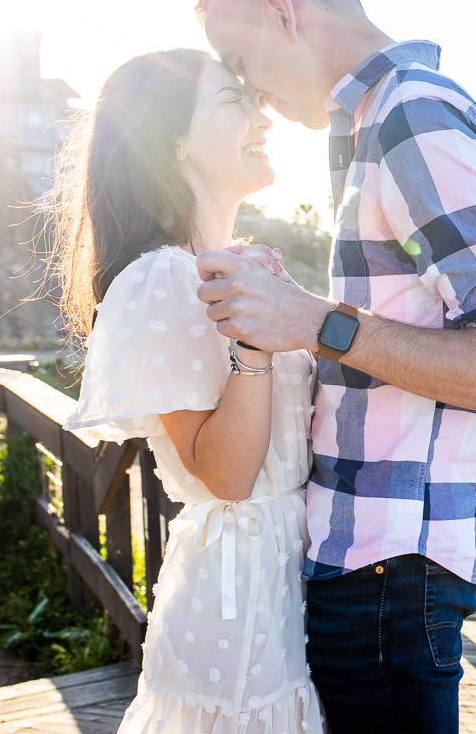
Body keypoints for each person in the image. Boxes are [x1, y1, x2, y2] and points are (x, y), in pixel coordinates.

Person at [192, 0, 476, 731]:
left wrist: (315, 321)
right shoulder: (375, 123)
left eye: (239, 61)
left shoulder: (410, 116)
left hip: (390, 571)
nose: (250, 96)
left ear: (281, 14)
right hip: (374, 562)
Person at [55, 48, 325, 733]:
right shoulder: (162, 280)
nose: (262, 115)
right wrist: (259, 342)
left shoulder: (227, 268)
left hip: (288, 572)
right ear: (173, 144)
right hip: (241, 595)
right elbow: (226, 475)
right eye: (234, 101)